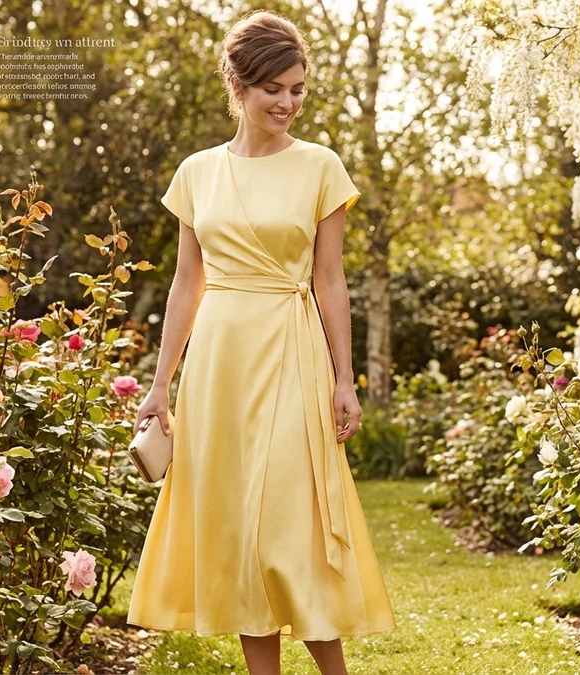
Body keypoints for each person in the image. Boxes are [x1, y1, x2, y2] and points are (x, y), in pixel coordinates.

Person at [126, 10, 396, 675]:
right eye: (274, 88)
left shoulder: (320, 167)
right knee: (242, 535)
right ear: (238, 86)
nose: (288, 102)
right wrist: (161, 384)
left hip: (291, 351)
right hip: (219, 360)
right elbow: (187, 284)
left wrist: (344, 378)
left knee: (289, 528)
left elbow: (330, 280)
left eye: (298, 88)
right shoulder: (196, 174)